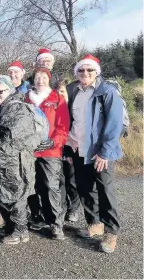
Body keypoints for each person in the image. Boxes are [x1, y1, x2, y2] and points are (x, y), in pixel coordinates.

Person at [65, 54, 124, 253]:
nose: (85, 73)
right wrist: (68, 146)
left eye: (89, 70)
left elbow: (114, 124)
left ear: (96, 72)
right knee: (84, 187)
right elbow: (70, 120)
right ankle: (95, 223)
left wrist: (105, 153)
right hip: (78, 148)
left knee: (105, 190)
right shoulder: (73, 90)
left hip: (100, 152)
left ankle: (111, 231)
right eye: (81, 70)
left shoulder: (107, 91)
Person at [0, 75, 42, 245]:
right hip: (4, 162)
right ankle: (12, 228)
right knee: (6, 195)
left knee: (15, 196)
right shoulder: (2, 108)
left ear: (10, 90)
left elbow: (13, 141)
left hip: (16, 162)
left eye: (0, 91)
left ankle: (20, 231)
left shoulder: (17, 109)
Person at [25, 68, 70, 240]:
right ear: (33, 80)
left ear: (49, 79)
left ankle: (56, 224)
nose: (40, 80)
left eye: (44, 77)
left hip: (50, 151)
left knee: (51, 186)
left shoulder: (57, 99)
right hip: (29, 150)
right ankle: (36, 216)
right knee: (31, 186)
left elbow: (63, 126)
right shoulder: (26, 99)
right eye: (37, 77)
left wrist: (53, 141)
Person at [54, 79, 81, 223]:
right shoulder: (54, 108)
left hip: (71, 149)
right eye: (57, 91)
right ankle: (61, 208)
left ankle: (74, 209)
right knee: (60, 181)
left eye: (62, 91)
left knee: (72, 180)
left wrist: (69, 153)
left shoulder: (73, 109)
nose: (60, 94)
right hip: (57, 150)